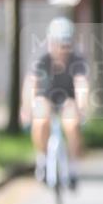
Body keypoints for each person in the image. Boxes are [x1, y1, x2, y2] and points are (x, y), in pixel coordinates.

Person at [21, 17, 90, 187]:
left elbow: (81, 84)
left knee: (72, 126)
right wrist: (26, 108)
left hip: (67, 99)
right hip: (45, 98)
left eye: (66, 44)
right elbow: (31, 83)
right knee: (40, 121)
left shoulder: (77, 60)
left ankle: (73, 168)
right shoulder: (41, 58)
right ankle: (42, 159)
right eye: (59, 43)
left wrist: (82, 107)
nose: (62, 48)